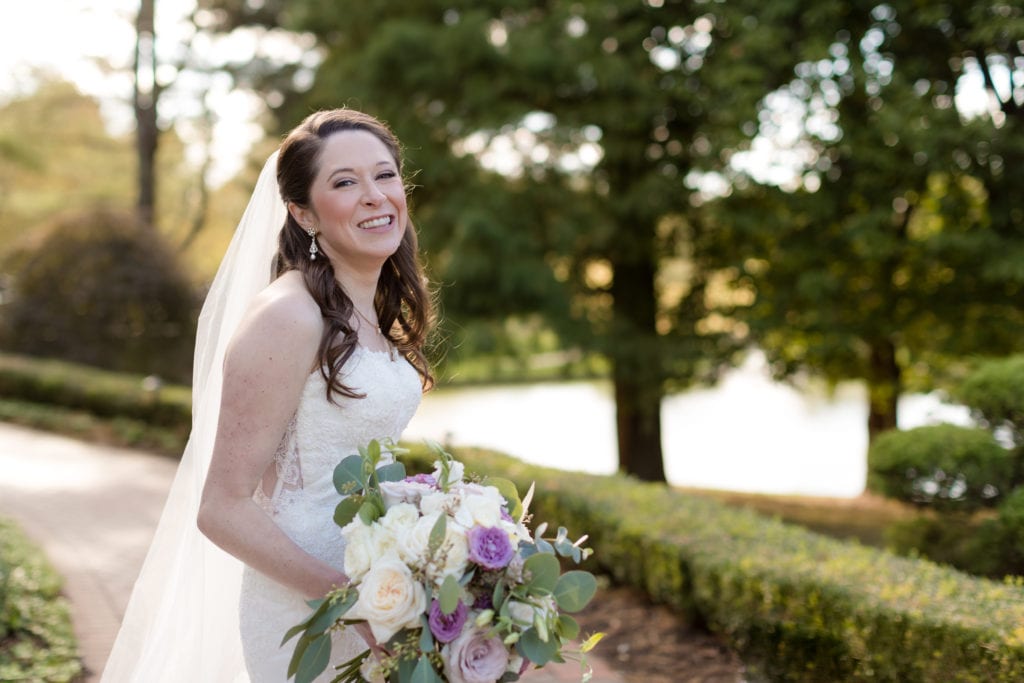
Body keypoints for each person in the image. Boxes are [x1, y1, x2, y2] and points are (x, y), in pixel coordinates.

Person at [101, 109, 434, 682]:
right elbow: (222, 509)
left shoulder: (366, 314)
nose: (376, 196)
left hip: (378, 589)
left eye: (384, 176)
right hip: (308, 608)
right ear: (303, 213)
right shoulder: (288, 316)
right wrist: (348, 601)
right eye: (345, 182)